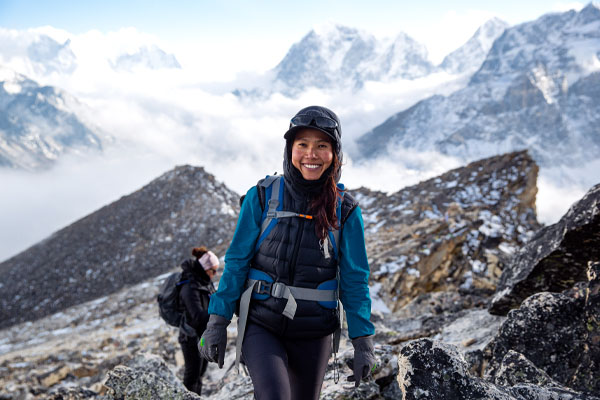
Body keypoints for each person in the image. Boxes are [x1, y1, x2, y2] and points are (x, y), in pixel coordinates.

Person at [199, 105, 376, 400]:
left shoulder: (345, 210)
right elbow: (236, 263)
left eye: (322, 146)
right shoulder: (262, 196)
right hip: (261, 323)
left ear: (335, 154)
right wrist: (217, 322)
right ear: (289, 149)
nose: (311, 154)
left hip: (314, 331)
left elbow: (355, 281)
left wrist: (363, 342)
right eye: (302, 144)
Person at [178, 246, 219, 395]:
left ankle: (196, 397)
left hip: (202, 336)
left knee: (200, 373)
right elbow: (196, 316)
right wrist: (218, 316)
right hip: (190, 337)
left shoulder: (204, 282)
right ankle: (187, 397)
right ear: (205, 268)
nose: (214, 275)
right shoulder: (190, 286)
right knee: (192, 374)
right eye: (212, 271)